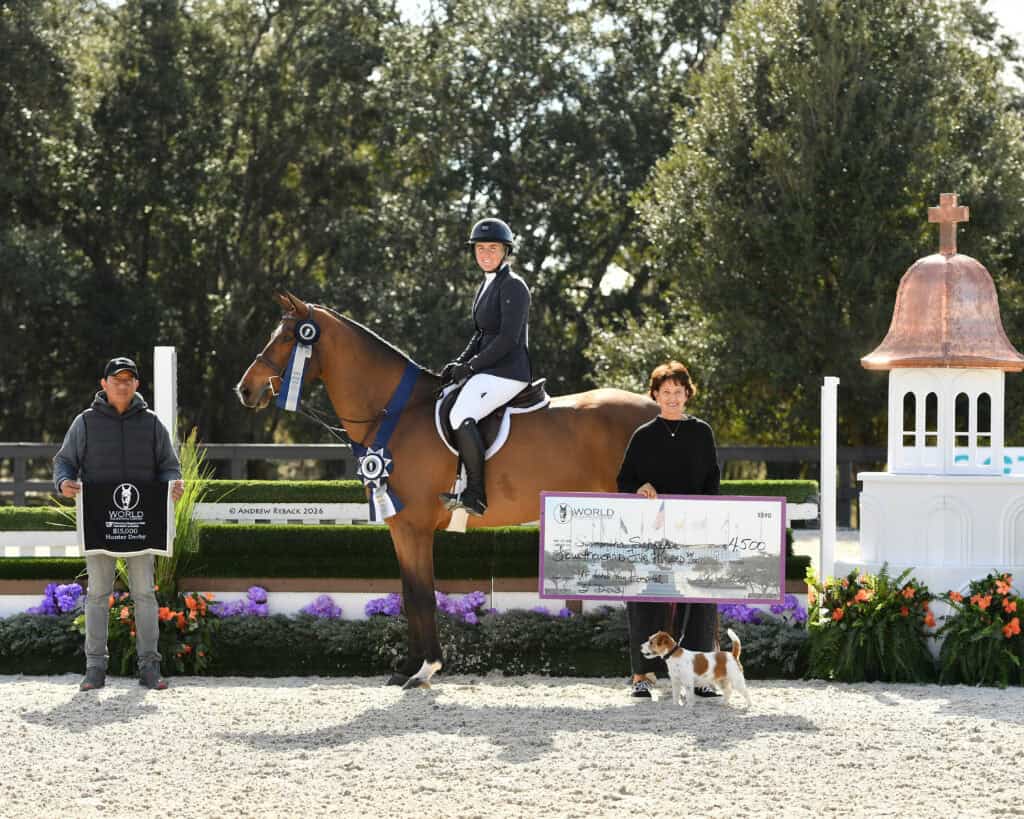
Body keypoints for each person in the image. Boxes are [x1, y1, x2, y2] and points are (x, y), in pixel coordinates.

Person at [53, 357, 184, 691]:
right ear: (104, 384)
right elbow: (64, 462)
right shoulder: (85, 422)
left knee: (144, 595)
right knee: (97, 594)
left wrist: (173, 484)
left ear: (136, 385)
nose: (122, 385)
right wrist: (63, 482)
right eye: (116, 379)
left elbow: (169, 465)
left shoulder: (152, 424)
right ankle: (95, 668)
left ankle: (150, 667)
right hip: (100, 522)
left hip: (142, 522)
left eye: (129, 379)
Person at [616, 360, 721, 698]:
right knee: (645, 599)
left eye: (678, 391)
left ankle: (701, 677)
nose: (672, 397)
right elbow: (624, 480)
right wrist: (640, 487)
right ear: (655, 395)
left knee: (700, 601)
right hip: (652, 535)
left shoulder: (702, 432)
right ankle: (643, 676)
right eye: (666, 391)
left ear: (688, 394)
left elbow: (712, 482)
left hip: (694, 533)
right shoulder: (643, 436)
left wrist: (702, 520)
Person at [439, 217, 531, 516]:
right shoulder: (486, 285)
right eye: (480, 248)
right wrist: (461, 362)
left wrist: (472, 366)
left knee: (460, 413)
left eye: (493, 248)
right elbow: (480, 334)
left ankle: (475, 494)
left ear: (505, 251)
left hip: (509, 372)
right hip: (488, 369)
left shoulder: (513, 286)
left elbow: (507, 339)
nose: (486, 253)